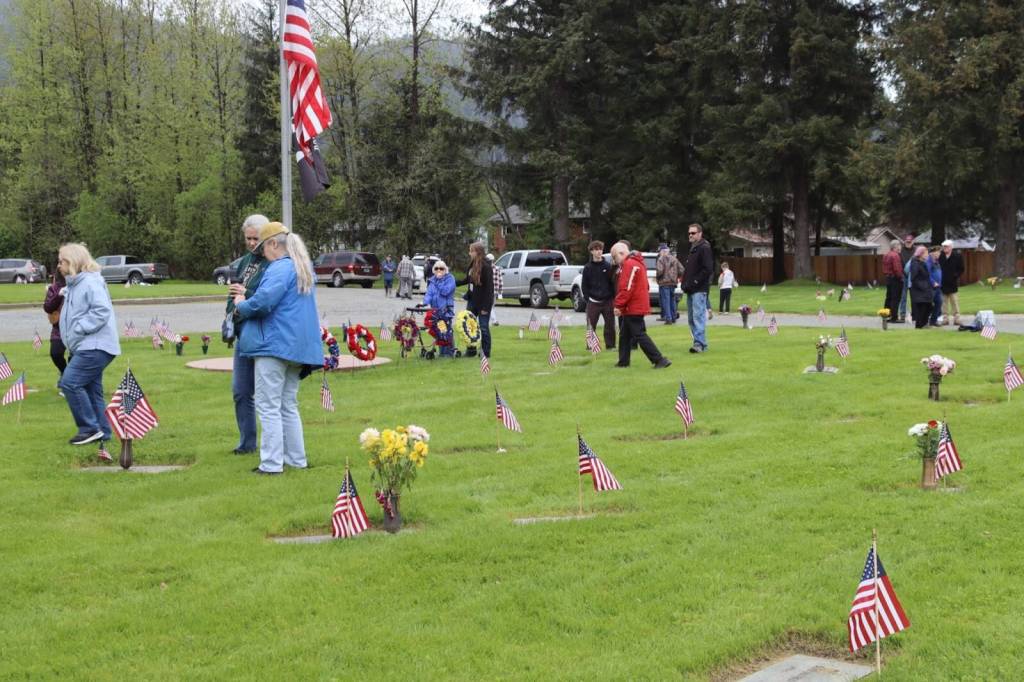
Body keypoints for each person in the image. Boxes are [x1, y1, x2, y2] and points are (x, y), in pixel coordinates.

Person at [233, 222, 323, 475]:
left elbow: (263, 303)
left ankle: (271, 464)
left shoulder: (280, 268)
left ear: (274, 244)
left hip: (273, 346)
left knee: (268, 405)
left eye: (262, 248)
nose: (261, 253)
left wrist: (241, 303)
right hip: (297, 349)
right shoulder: (301, 267)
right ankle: (296, 460)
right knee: (287, 404)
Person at [56, 243, 121, 445]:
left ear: (73, 262)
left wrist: (79, 328)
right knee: (92, 390)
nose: (58, 265)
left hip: (95, 345)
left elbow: (101, 311)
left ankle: (89, 428)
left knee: (69, 382)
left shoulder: (90, 282)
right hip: (87, 345)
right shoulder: (75, 284)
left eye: (62, 261)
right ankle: (102, 431)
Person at [226, 214, 269, 455]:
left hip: (261, 332)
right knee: (240, 391)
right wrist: (229, 316)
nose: (252, 243)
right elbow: (234, 292)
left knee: (266, 395)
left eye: (256, 238)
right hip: (242, 332)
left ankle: (274, 447)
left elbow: (266, 296)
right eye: (248, 238)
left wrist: (247, 292)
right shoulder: (244, 262)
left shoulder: (272, 262)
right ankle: (247, 443)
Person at [611, 242, 670, 369]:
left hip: (633, 307)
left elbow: (626, 288)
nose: (615, 261)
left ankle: (659, 360)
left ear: (622, 253)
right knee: (624, 334)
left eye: (615, 257)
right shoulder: (638, 263)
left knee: (639, 334)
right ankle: (623, 361)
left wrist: (618, 305)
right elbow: (646, 286)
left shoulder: (629, 264)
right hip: (635, 305)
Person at [456, 243, 494, 358]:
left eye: (471, 251)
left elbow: (489, 289)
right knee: (469, 326)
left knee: (483, 327)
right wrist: (453, 282)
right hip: (472, 301)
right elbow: (467, 280)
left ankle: (485, 352)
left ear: (477, 252)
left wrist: (486, 308)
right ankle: (471, 350)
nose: (469, 253)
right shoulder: (472, 264)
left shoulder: (486, 267)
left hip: (483, 303)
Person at [682, 223, 714, 353]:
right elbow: (689, 270)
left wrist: (694, 282)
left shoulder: (704, 248)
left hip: (699, 289)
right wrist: (685, 284)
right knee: (691, 318)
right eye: (689, 233)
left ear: (700, 234)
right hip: (691, 289)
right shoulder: (693, 249)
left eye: (693, 233)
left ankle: (699, 344)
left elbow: (708, 269)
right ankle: (701, 343)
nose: (690, 235)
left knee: (698, 316)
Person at [581, 240, 616, 350]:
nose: (598, 252)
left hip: (607, 301)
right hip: (593, 301)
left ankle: (610, 345)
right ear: (591, 251)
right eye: (596, 249)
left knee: (610, 325)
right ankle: (590, 345)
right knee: (591, 325)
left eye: (600, 249)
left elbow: (613, 283)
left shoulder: (608, 266)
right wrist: (588, 299)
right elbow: (584, 285)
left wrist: (611, 297)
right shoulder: (587, 267)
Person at [424, 260, 457, 357]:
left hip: (446, 309)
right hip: (435, 310)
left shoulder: (450, 279)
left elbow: (446, 291)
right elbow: (429, 294)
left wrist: (438, 282)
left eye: (441, 268)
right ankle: (442, 352)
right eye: (436, 268)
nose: (439, 270)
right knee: (438, 330)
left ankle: (449, 351)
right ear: (434, 270)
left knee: (446, 330)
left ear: (445, 269)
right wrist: (424, 302)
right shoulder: (432, 280)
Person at [43, 272, 68, 394]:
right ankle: (65, 373)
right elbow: (48, 307)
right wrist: (59, 294)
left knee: (75, 357)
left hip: (77, 329)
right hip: (58, 328)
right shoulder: (54, 288)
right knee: (55, 353)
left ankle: (67, 384)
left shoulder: (80, 285)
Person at [938, 239, 964, 326]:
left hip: (952, 283)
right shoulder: (940, 256)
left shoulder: (957, 256)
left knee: (954, 302)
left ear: (951, 247)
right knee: (943, 303)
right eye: (944, 246)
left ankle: (957, 319)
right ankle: (945, 319)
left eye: (946, 246)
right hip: (942, 282)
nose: (944, 248)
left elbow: (961, 269)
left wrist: (955, 276)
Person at [655, 243, 682, 323]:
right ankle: (673, 317)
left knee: (665, 301)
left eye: (660, 251)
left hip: (664, 283)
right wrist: (676, 276)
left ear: (662, 251)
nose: (659, 253)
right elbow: (681, 269)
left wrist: (658, 277)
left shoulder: (661, 259)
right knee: (672, 300)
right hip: (673, 283)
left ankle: (668, 318)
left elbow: (660, 271)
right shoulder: (674, 259)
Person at [908, 246, 933, 329]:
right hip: (919, 290)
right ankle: (919, 326)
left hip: (926, 289)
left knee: (928, 306)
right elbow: (913, 278)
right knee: (921, 309)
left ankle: (924, 324)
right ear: (921, 254)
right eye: (926, 253)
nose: (927, 255)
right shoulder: (915, 263)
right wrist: (923, 286)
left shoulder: (923, 262)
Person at [881, 239, 904, 323]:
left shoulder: (886, 255)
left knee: (888, 297)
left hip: (888, 278)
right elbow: (897, 269)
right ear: (896, 246)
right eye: (899, 245)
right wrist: (901, 277)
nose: (900, 247)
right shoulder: (895, 255)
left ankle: (886, 315)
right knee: (896, 298)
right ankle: (894, 317)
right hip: (895, 279)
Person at [898, 234, 915, 322]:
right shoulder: (900, 250)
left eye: (910, 241)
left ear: (913, 241)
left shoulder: (916, 250)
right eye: (907, 241)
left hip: (913, 276)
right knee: (903, 296)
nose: (908, 243)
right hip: (904, 275)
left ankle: (915, 315)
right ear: (904, 241)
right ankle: (902, 315)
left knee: (914, 296)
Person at [928, 247, 943, 326]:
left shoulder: (937, 261)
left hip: (938, 287)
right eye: (938, 252)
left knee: (939, 302)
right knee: (928, 304)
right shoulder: (928, 261)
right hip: (931, 287)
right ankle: (926, 319)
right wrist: (933, 282)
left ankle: (933, 321)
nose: (939, 254)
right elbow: (927, 274)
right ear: (933, 252)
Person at [488, 253, 501, 326]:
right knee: (492, 306)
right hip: (495, 291)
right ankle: (494, 320)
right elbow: (500, 280)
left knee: (488, 307)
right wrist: (500, 292)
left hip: (488, 291)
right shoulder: (497, 268)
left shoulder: (486, 268)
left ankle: (494, 320)